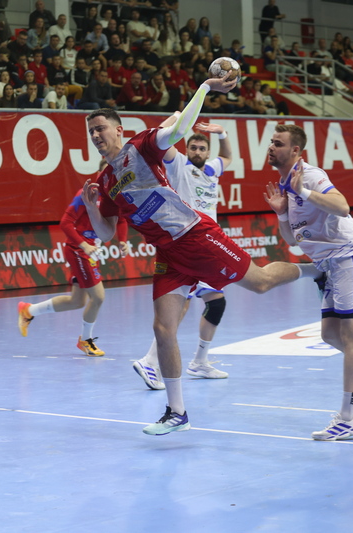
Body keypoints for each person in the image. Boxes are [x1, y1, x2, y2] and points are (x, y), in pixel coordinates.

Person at [80, 78, 323, 436]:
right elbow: (105, 233)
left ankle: (315, 271)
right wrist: (91, 208)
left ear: (118, 129)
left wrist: (206, 87)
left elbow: (179, 128)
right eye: (91, 132)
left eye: (100, 128)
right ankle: (176, 412)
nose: (96, 135)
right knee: (163, 328)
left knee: (260, 283)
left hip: (195, 236)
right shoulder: (104, 182)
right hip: (167, 252)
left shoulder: (141, 145)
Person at [263, 124, 353, 440]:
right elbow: (292, 240)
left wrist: (304, 192)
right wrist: (281, 213)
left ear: (295, 151)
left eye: (278, 143)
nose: (272, 147)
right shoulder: (286, 184)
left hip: (351, 256)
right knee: (331, 334)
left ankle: (348, 417)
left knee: (352, 336)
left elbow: (343, 207)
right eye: (271, 142)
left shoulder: (310, 176)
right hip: (332, 263)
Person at [132, 118, 234, 390]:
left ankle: (197, 361)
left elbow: (227, 156)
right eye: (193, 147)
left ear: (207, 152)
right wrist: (177, 120)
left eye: (202, 148)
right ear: (187, 149)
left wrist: (222, 133)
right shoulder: (178, 164)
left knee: (211, 303)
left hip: (208, 243)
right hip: (190, 242)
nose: (197, 152)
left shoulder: (211, 169)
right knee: (185, 304)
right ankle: (151, 360)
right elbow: (161, 144)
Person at [17, 177, 128, 356]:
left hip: (91, 251)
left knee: (77, 301)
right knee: (98, 297)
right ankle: (85, 340)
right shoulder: (86, 195)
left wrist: (122, 241)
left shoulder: (116, 197)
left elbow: (120, 220)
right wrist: (83, 245)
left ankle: (28, 310)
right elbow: (65, 223)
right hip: (79, 250)